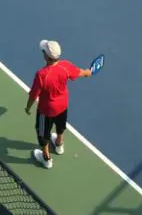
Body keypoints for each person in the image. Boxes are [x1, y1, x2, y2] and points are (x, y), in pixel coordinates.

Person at [25, 40, 92, 170]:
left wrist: (28, 108)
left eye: (43, 51)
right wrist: (87, 72)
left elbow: (34, 95)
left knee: (43, 134)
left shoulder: (41, 75)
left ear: (46, 56)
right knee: (60, 126)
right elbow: (80, 72)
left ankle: (46, 159)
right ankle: (59, 145)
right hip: (63, 106)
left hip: (46, 110)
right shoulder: (65, 66)